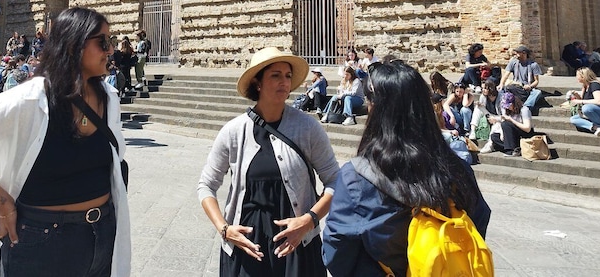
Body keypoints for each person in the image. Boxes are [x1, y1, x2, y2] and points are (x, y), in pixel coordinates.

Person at [0, 7, 131, 277]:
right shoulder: (27, 101)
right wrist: (3, 202)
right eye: (103, 42)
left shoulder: (109, 98)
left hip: (102, 236)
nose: (111, 50)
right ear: (74, 45)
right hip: (41, 244)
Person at [322, 60, 490, 276]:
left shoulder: (357, 177)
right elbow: (479, 222)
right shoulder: (458, 168)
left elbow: (337, 252)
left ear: (376, 108)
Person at [198, 47, 340, 277]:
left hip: (297, 246)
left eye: (287, 75)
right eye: (275, 75)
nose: (284, 82)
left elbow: (336, 181)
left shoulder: (308, 128)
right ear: (258, 83)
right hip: (246, 249)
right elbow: (206, 185)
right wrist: (225, 229)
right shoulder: (234, 131)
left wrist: (309, 221)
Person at [569, 67, 600, 136]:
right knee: (573, 119)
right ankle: (597, 128)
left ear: (583, 76)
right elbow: (585, 100)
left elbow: (599, 101)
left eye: (577, 75)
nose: (576, 77)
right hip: (595, 111)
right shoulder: (585, 86)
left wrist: (579, 101)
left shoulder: (595, 85)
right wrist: (576, 95)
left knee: (586, 108)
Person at [498, 45, 542, 111]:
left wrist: (529, 86)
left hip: (526, 89)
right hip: (516, 86)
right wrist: (501, 84)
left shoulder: (533, 65)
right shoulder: (513, 62)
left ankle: (525, 107)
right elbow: (506, 75)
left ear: (524, 53)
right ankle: (504, 108)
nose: (516, 54)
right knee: (500, 90)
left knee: (537, 92)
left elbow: (536, 81)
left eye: (518, 53)